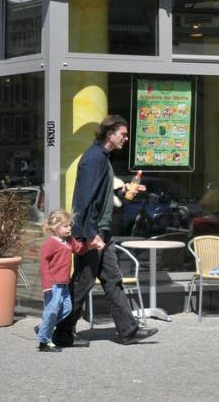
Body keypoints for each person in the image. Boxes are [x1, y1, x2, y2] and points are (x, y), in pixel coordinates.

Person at [53, 115, 157, 347]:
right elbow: (84, 200)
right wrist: (91, 235)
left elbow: (102, 195)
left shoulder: (102, 158)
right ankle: (60, 331)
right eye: (123, 134)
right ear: (110, 134)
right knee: (81, 284)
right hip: (94, 232)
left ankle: (128, 330)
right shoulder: (94, 159)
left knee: (112, 280)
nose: (126, 139)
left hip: (101, 231)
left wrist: (124, 192)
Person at [37, 210, 86, 352]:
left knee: (67, 309)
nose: (69, 229)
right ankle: (44, 342)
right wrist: (46, 285)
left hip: (64, 283)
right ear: (54, 227)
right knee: (51, 311)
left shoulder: (69, 240)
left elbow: (79, 249)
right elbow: (44, 265)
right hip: (53, 284)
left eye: (69, 226)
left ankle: (44, 328)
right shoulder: (50, 243)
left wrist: (91, 244)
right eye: (65, 226)